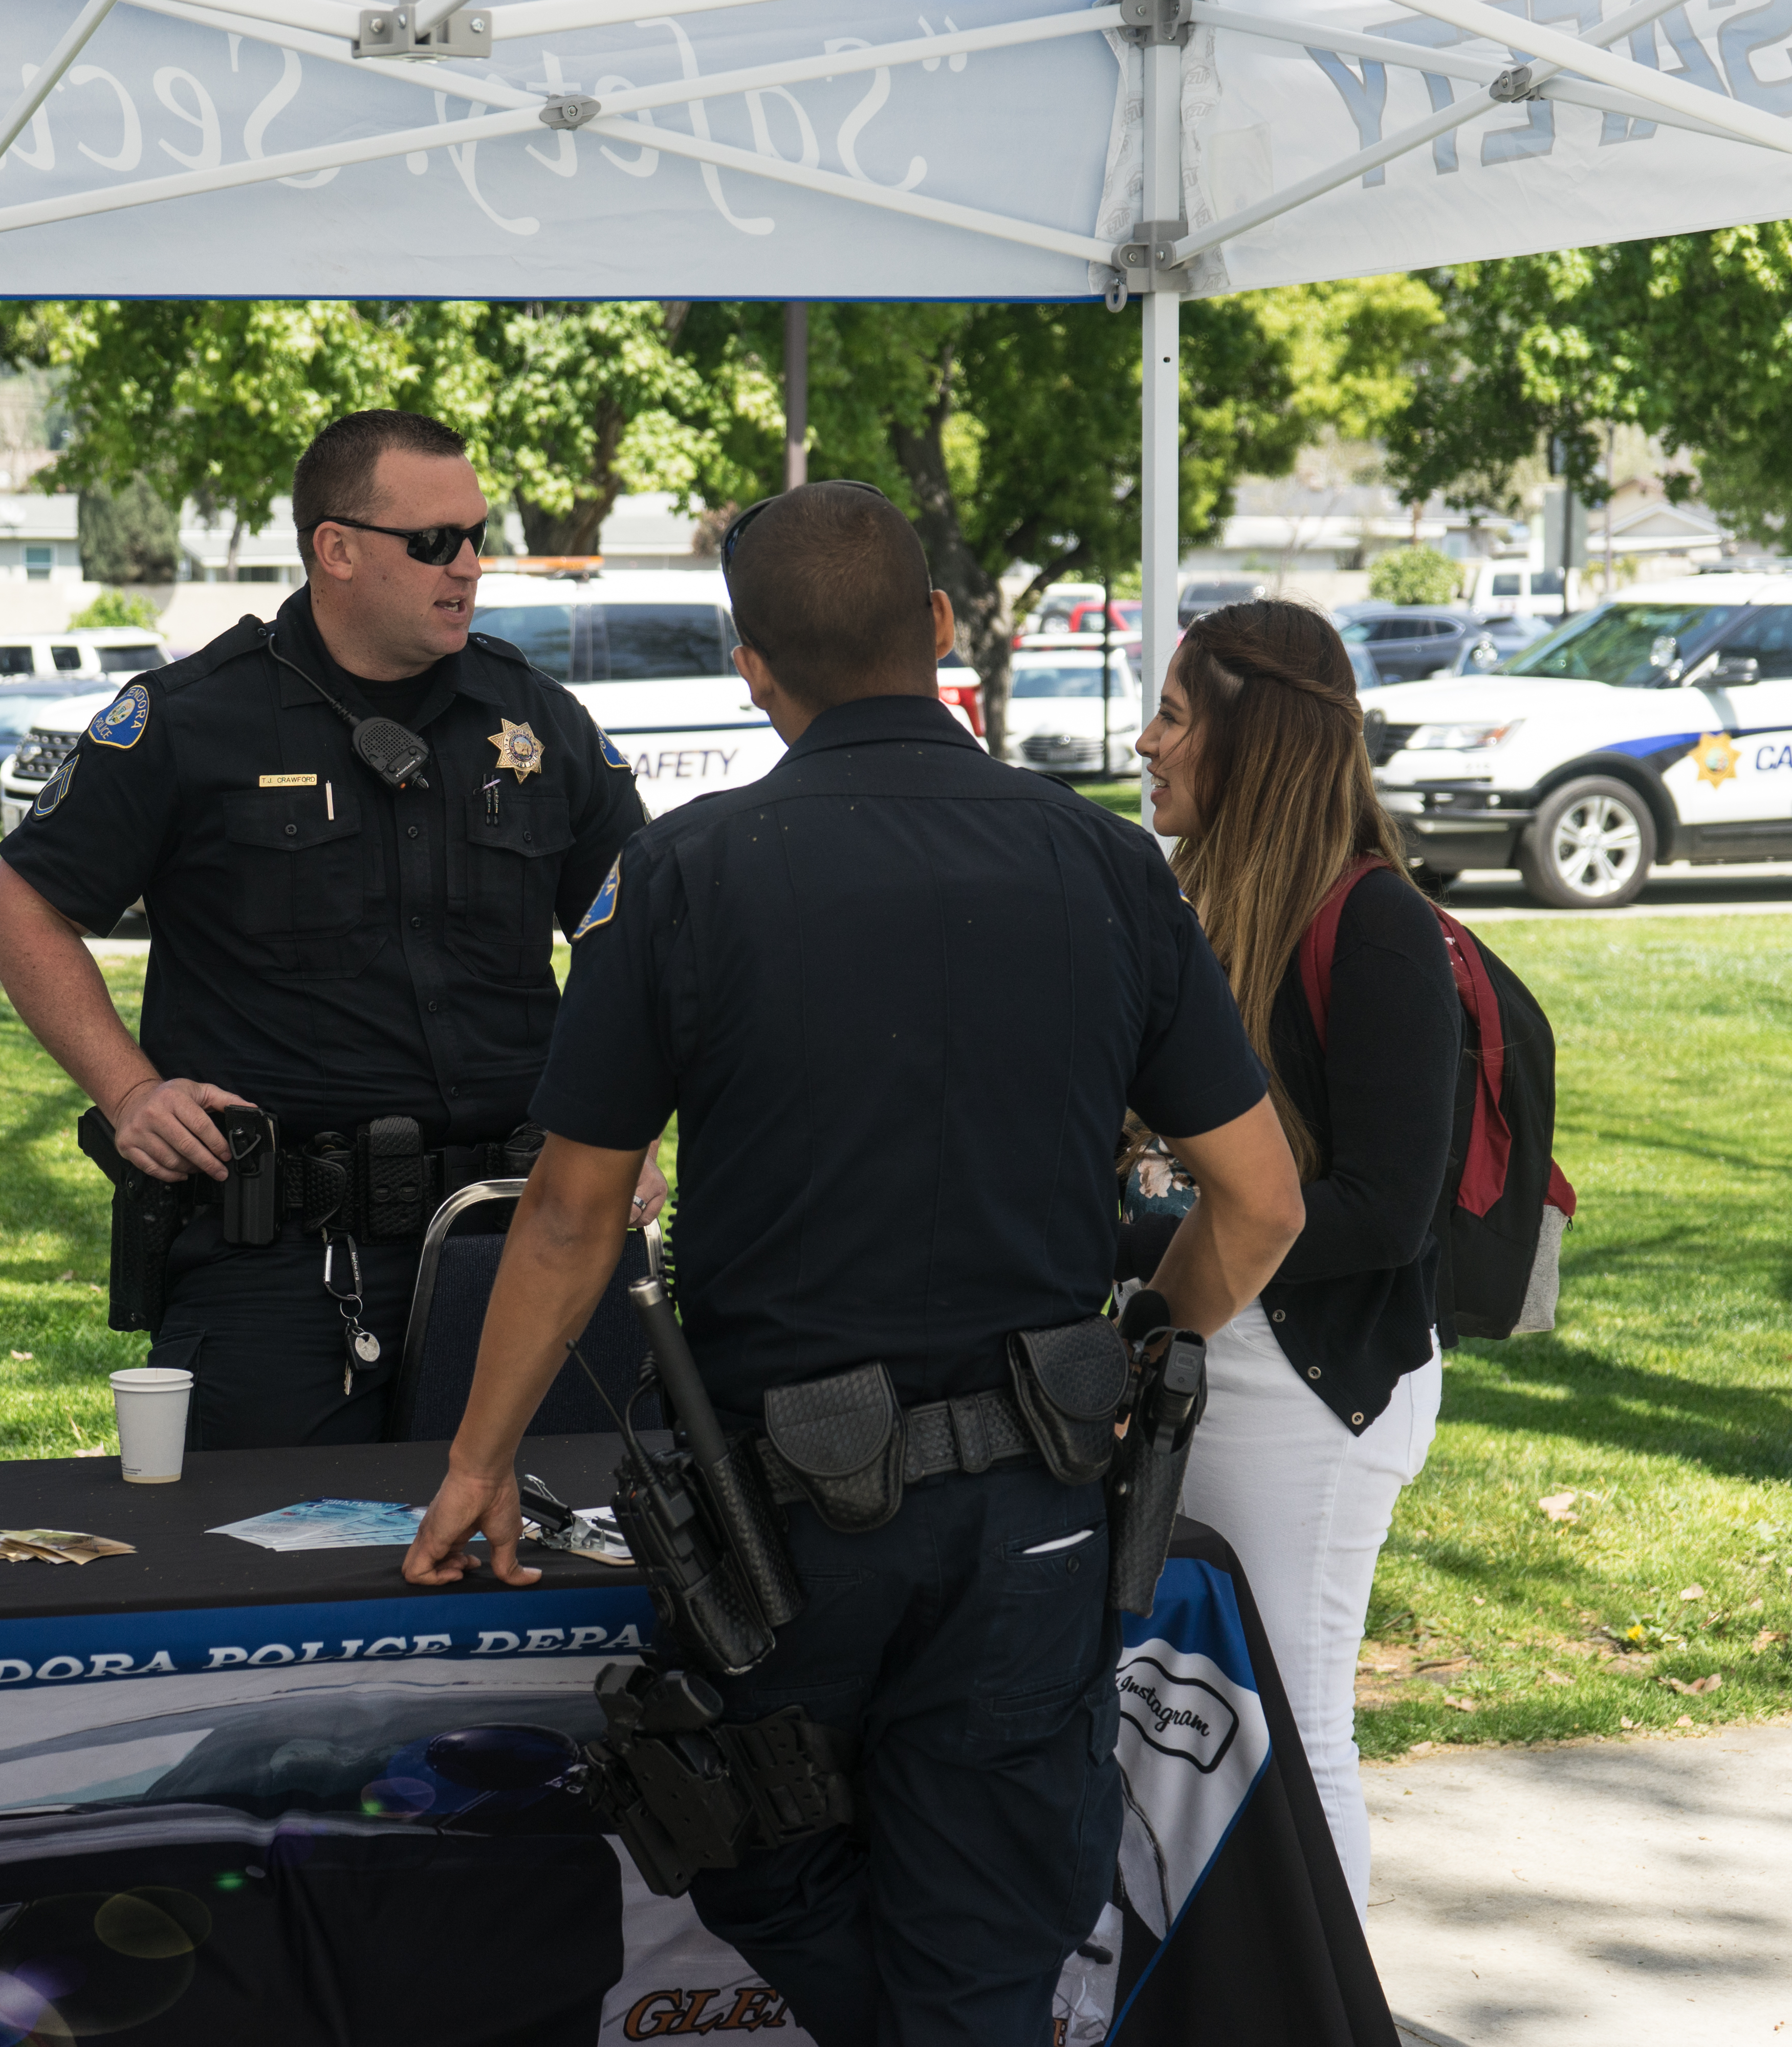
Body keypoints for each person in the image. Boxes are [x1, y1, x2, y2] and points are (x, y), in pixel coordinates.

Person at [401, 483, 1307, 2047]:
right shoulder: (1102, 866)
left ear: (751, 665)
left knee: (747, 1842)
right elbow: (1259, 1201)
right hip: (1028, 1501)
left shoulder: (682, 872)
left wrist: (480, 1459)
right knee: (981, 1933)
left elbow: (568, 1213)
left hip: (784, 1523)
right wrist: (1149, 1349)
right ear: (942, 630)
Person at [0, 408, 656, 1449]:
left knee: (572, 1552)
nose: (468, 566)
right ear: (335, 548)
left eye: (478, 537)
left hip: (518, 1230)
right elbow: (21, 904)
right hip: (282, 1257)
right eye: (434, 542)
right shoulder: (196, 720)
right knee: (267, 1571)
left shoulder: (534, 722)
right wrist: (128, 1090)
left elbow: (637, 933)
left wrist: (627, 1129)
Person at [1129, 598, 1463, 1915]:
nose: (1145, 742)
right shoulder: (1197, 903)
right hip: (1214, 1350)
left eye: (1171, 714)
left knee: (1295, 1723)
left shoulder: (1375, 925)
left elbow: (1388, 1209)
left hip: (1315, 1386)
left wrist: (1149, 1237)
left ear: (1248, 740)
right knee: (1191, 1716)